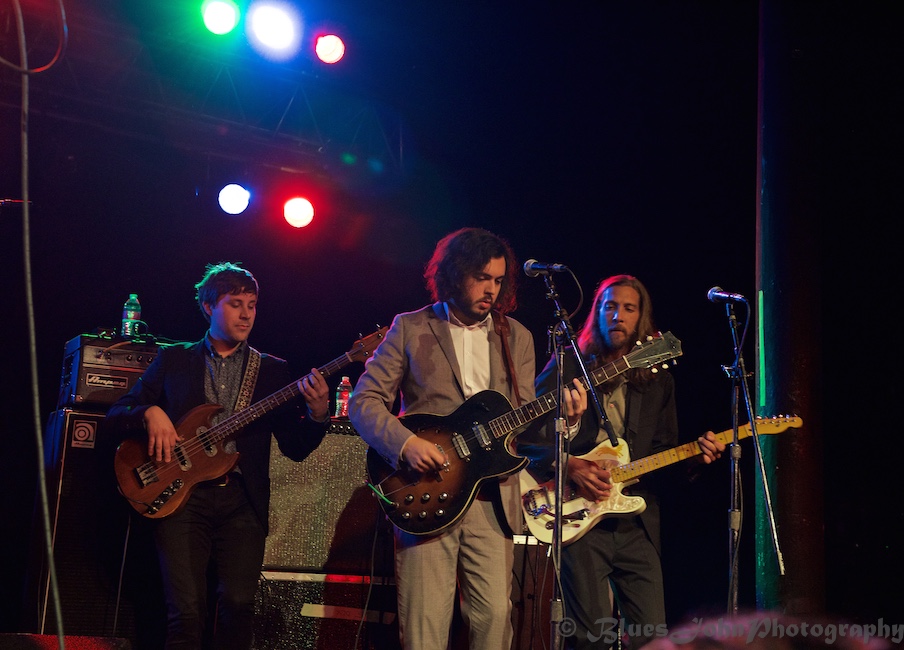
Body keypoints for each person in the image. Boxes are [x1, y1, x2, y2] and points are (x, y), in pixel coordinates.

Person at [347, 227, 587, 650]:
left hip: (492, 499)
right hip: (427, 493)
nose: (491, 290)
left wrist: (564, 421)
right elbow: (363, 401)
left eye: (498, 280)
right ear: (454, 274)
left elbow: (526, 425)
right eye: (482, 278)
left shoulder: (518, 337)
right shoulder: (409, 328)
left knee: (495, 621)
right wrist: (405, 443)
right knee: (424, 627)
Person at [106, 262, 331, 649]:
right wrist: (149, 412)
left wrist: (319, 413)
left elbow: (296, 448)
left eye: (252, 304)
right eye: (235, 304)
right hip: (181, 498)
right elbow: (116, 414)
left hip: (241, 502)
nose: (246, 314)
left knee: (239, 603)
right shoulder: (175, 360)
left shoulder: (273, 371)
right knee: (186, 612)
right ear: (209, 307)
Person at [522, 274, 725, 649]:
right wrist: (571, 465)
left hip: (637, 523)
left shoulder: (657, 380)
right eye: (609, 306)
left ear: (641, 318)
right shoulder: (569, 365)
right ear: (597, 313)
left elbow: (662, 451)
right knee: (589, 638)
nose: (618, 316)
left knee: (653, 637)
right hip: (578, 519)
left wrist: (694, 457)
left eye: (628, 308)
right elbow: (525, 439)